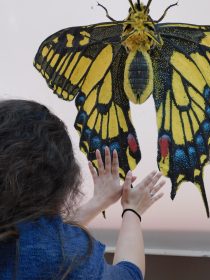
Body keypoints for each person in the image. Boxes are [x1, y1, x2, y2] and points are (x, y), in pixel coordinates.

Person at [0, 99, 165, 279]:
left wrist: (97, 202)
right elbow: (128, 275)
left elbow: (33, 234)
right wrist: (133, 210)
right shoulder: (69, 257)